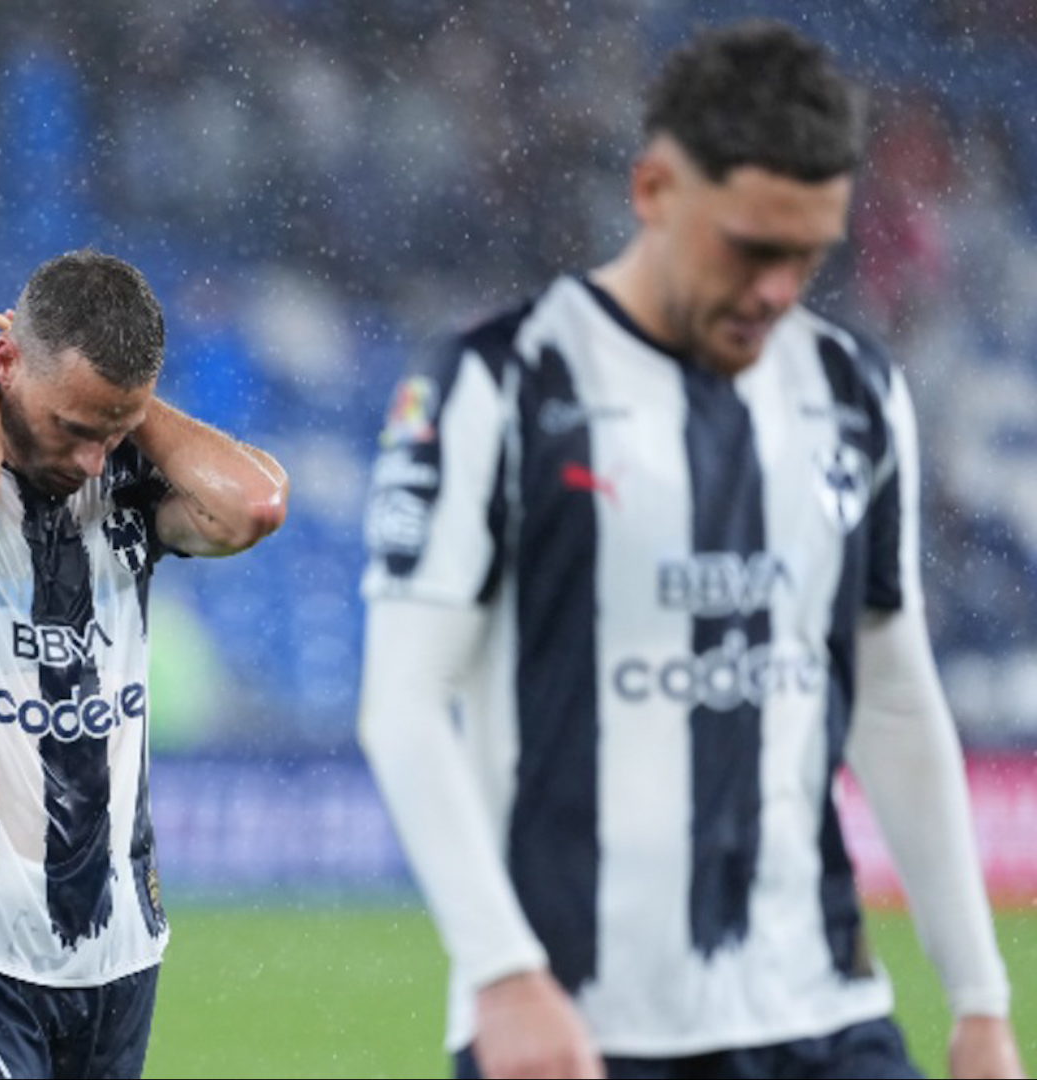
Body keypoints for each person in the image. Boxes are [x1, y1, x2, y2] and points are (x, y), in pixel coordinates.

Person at [356, 21, 1024, 1080]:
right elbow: (400, 705)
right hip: (582, 1029)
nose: (776, 289)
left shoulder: (853, 393)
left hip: (821, 1012)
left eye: (808, 255)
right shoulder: (500, 383)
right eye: (752, 248)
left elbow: (894, 696)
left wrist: (981, 1001)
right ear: (654, 188)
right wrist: (503, 975)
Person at [0, 250, 288, 1079]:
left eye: (114, 433)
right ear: (6, 363)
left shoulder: (119, 489)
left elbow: (253, 505)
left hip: (117, 958)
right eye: (74, 427)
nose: (94, 460)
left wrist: (122, 412)